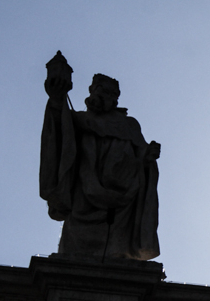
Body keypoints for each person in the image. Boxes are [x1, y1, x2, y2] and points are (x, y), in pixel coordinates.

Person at [40, 51, 161, 261]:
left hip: (122, 201)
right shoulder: (78, 120)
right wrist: (57, 98)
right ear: (92, 91)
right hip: (84, 194)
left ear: (115, 99)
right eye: (101, 90)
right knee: (74, 255)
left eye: (110, 94)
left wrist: (148, 156)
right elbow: (58, 138)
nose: (104, 96)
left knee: (118, 253)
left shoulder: (128, 125)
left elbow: (141, 154)